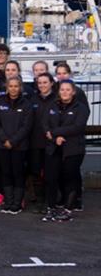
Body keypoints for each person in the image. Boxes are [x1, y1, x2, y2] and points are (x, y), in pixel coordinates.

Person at [43, 81, 89, 222]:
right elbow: (45, 123)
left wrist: (56, 133)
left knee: (70, 179)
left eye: (67, 90)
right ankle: (51, 208)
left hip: (73, 149)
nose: (64, 92)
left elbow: (78, 127)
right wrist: (53, 136)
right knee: (51, 179)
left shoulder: (81, 108)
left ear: (73, 92)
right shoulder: (52, 105)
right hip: (53, 148)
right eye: (62, 89)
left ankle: (68, 210)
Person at [0, 77, 33, 215]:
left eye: (16, 86)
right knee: (6, 173)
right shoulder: (0, 103)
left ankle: (17, 203)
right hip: (3, 145)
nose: (13, 88)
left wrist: (13, 141)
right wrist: (5, 139)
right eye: (11, 86)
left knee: (18, 173)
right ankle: (8, 202)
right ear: (7, 87)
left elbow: (26, 126)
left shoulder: (26, 104)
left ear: (20, 87)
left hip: (19, 146)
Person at [29, 73, 55, 213]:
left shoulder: (57, 99)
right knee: (36, 172)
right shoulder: (33, 99)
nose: (42, 85)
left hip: (52, 143)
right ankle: (39, 200)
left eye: (45, 82)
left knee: (50, 173)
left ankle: (49, 201)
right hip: (35, 142)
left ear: (51, 83)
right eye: (40, 83)